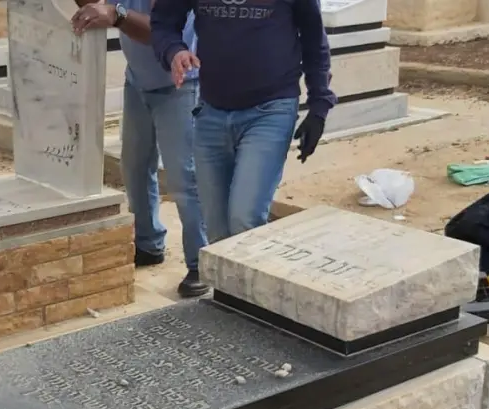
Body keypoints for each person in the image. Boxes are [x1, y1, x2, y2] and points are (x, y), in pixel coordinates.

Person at [150, 0, 337, 243]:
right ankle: (224, 283)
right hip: (211, 112)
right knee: (216, 229)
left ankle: (251, 279)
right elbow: (163, 21)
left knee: (244, 219)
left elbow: (313, 38)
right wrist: (173, 50)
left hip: (270, 110)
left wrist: (319, 105)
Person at [71, 0, 210, 297]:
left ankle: (202, 262)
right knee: (134, 166)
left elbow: (161, 31)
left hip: (181, 83)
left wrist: (116, 15)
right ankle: (148, 243)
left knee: (185, 178)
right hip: (138, 81)